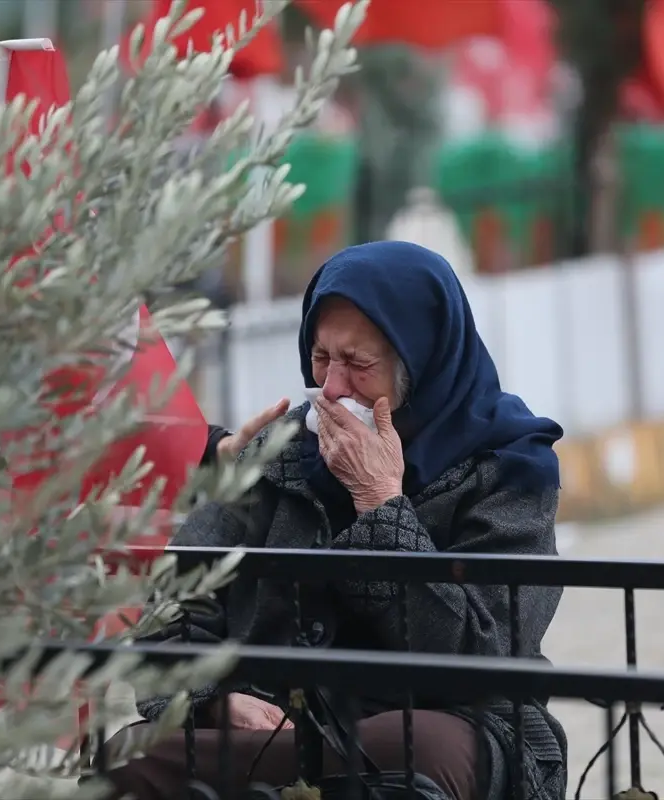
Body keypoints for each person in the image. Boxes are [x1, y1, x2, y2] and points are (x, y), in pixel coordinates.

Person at [103, 241, 567, 800]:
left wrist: (381, 502)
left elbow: (482, 661)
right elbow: (175, 601)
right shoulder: (283, 451)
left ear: (421, 362)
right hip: (274, 726)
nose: (333, 388)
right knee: (132, 754)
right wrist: (211, 698)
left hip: (438, 725)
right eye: (322, 358)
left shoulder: (508, 470)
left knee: (418, 749)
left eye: (358, 363)